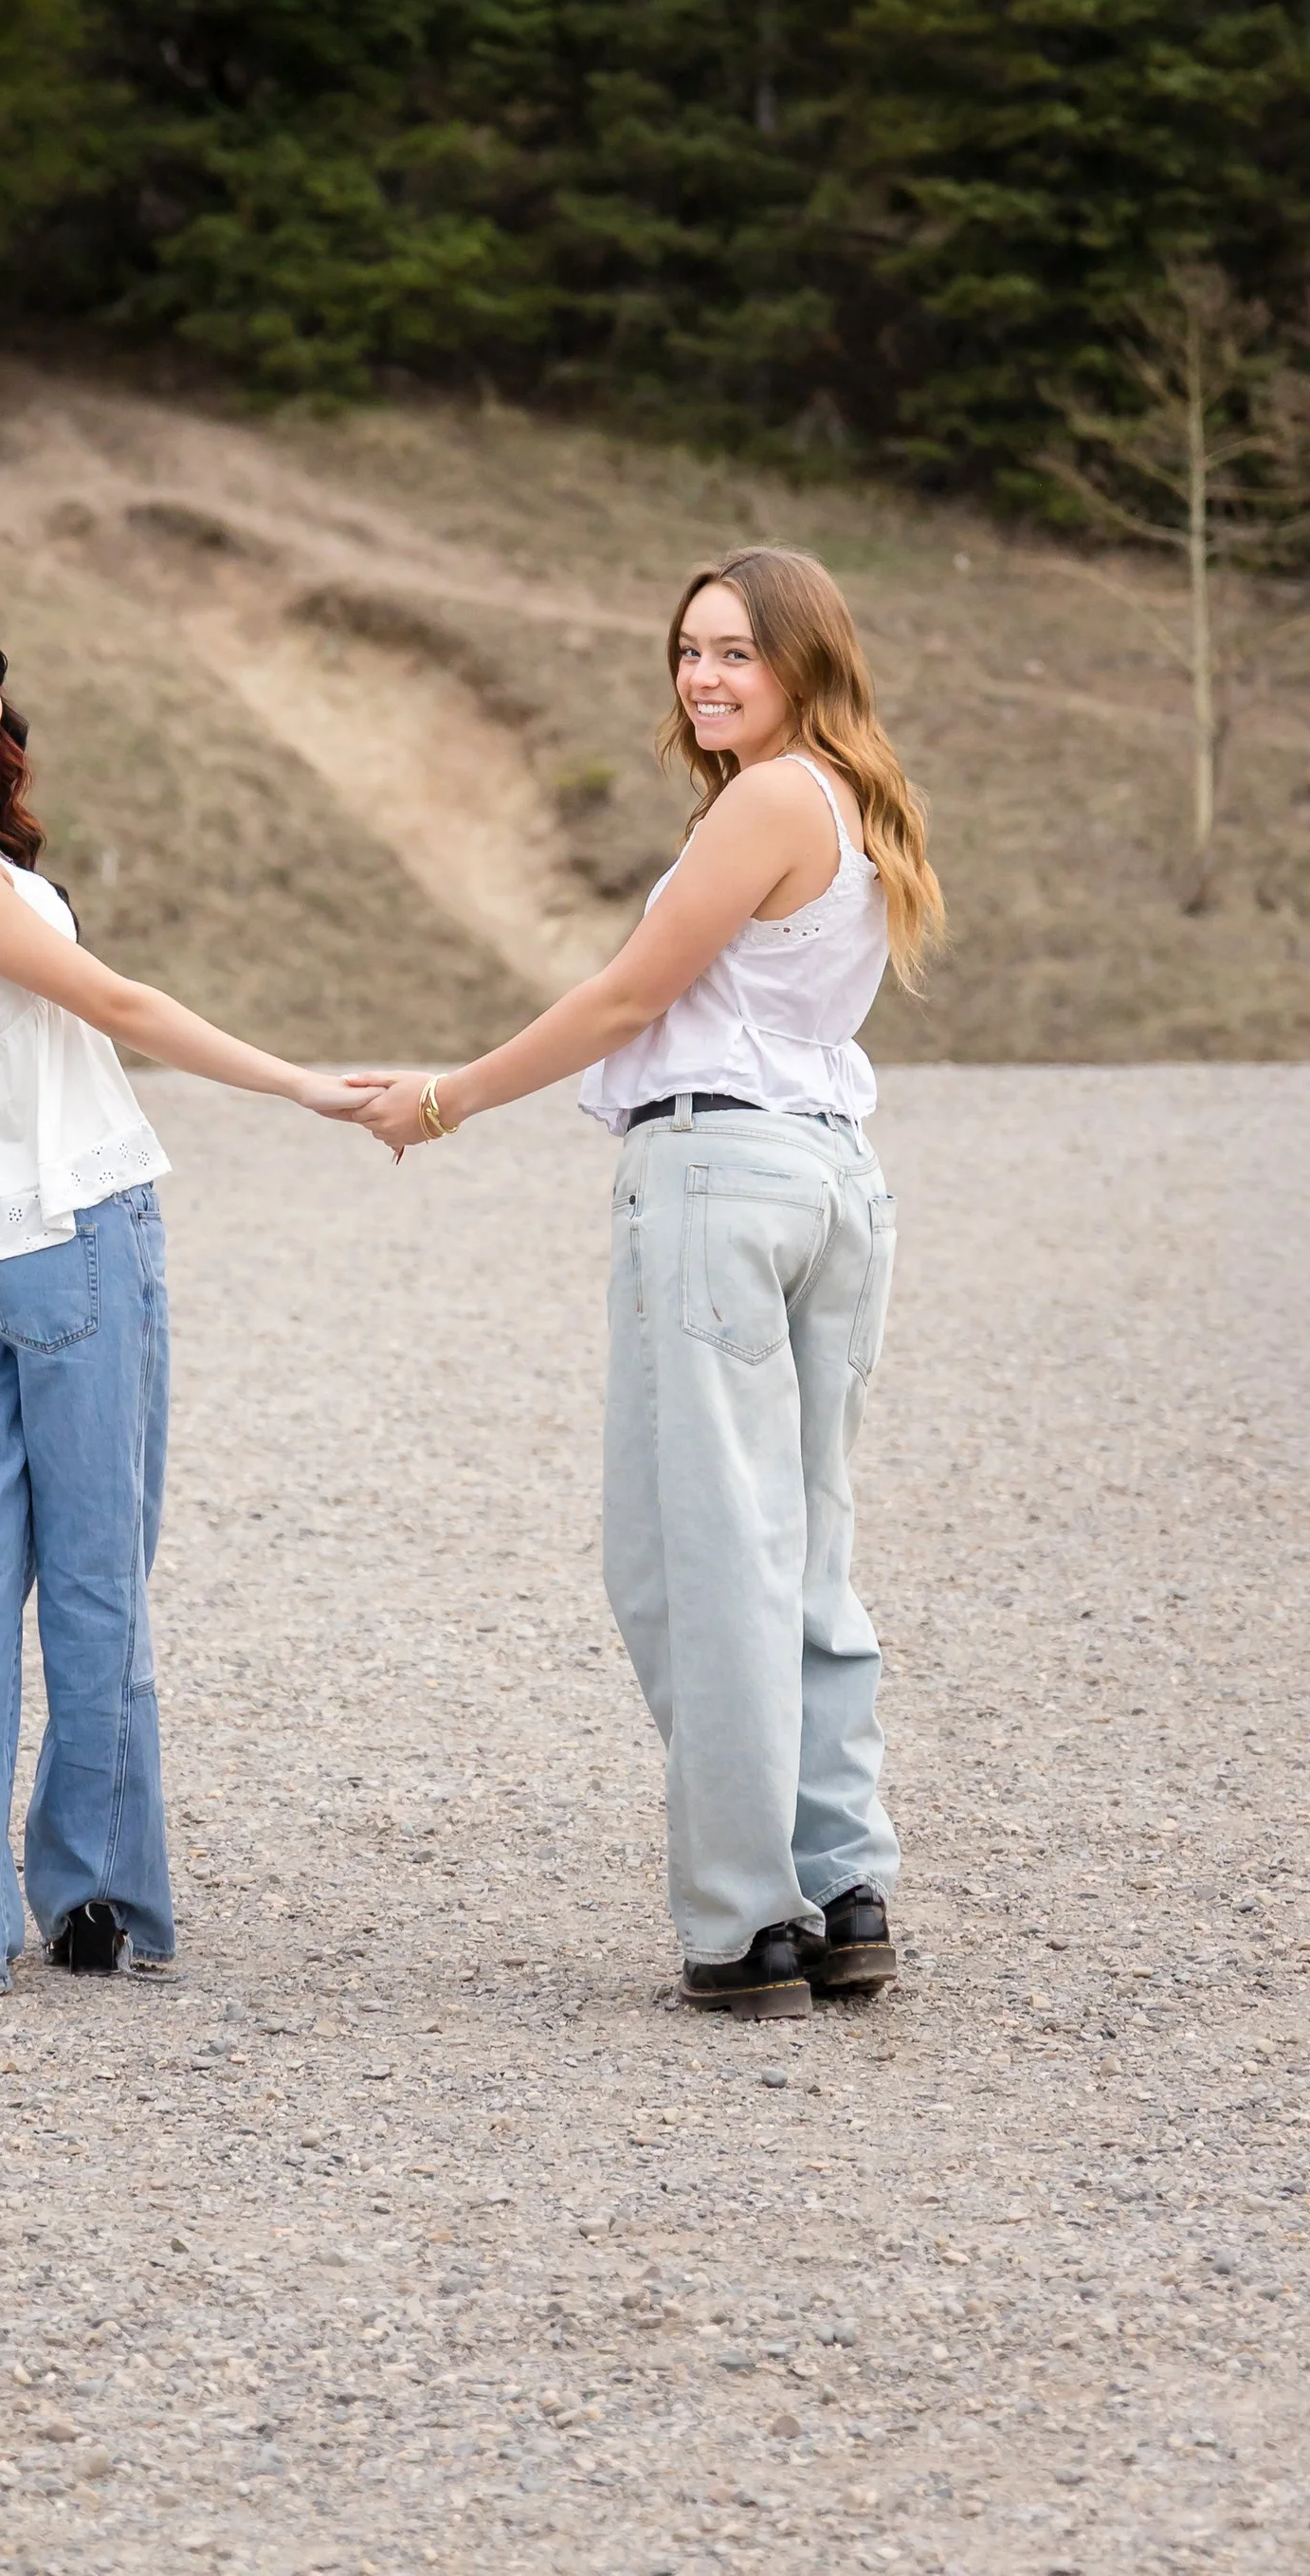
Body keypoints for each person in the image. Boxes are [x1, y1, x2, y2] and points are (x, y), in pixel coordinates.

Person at [353, 546, 942, 2018]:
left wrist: (450, 1095)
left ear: (804, 658)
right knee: (801, 1539)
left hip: (722, 1185)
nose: (702, 674)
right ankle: (845, 1883)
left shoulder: (768, 797)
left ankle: (751, 1923)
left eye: (736, 650)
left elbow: (630, 992)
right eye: (689, 649)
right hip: (830, 1182)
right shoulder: (860, 796)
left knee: (692, 1556)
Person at [0, 581, 366, 1998]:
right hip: (73, 1228)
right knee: (97, 1570)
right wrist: (304, 1085)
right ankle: (94, 1895)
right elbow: (120, 1005)